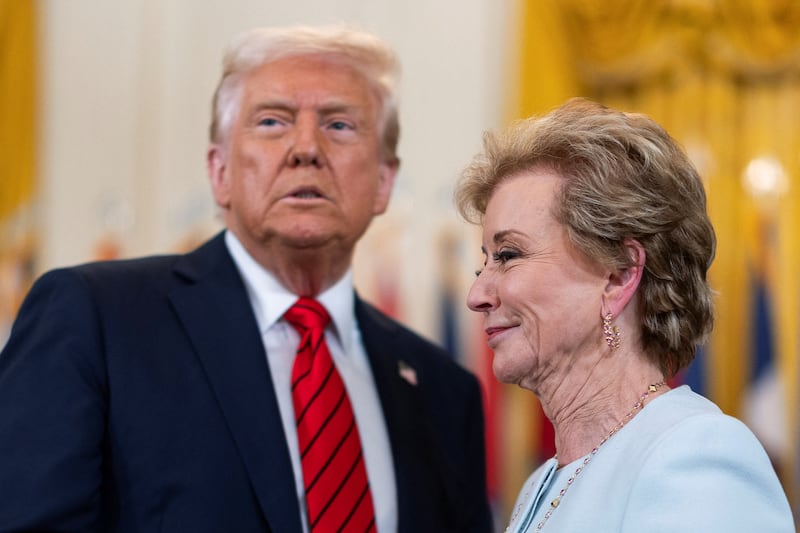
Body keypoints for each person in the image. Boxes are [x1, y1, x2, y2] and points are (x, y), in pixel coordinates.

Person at [0, 25, 492, 532]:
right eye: (272, 121)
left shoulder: (445, 392)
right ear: (219, 172)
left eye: (340, 125)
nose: (306, 147)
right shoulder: (97, 322)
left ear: (384, 181)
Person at [455, 98, 794, 532]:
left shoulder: (696, 455)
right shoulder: (541, 484)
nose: (477, 295)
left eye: (508, 255)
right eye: (482, 264)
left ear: (619, 276)